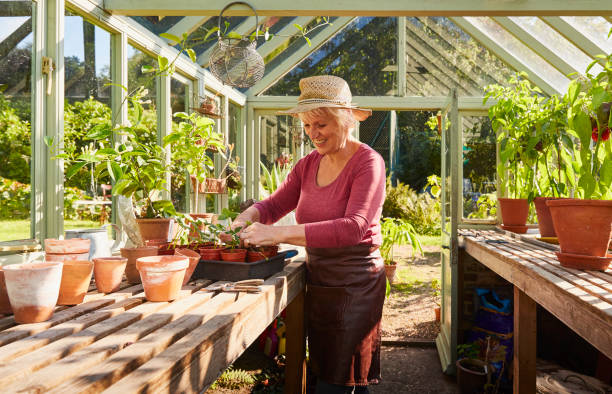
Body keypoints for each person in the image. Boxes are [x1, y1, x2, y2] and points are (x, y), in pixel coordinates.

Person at [225, 75, 386, 394]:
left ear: (346, 120)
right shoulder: (307, 165)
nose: (313, 133)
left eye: (321, 124)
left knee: (337, 382)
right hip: (320, 281)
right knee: (337, 377)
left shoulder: (368, 163)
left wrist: (274, 235)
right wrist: (243, 220)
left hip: (356, 285)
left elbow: (354, 227)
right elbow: (273, 204)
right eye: (308, 125)